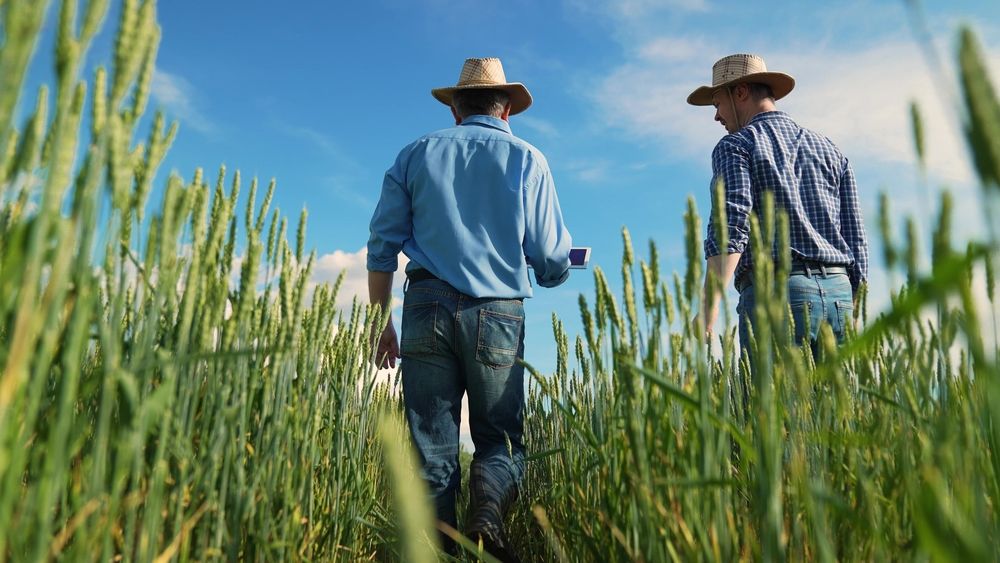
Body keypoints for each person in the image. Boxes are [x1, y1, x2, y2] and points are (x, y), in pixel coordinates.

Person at [366, 57, 573, 560]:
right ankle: (488, 513)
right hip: (498, 311)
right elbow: (548, 255)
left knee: (432, 448)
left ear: (456, 109)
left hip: (424, 307)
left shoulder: (415, 154)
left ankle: (441, 552)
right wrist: (554, 273)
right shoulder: (528, 157)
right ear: (506, 111)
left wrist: (379, 322)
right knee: (499, 439)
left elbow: (380, 244)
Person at [688, 53, 869, 354]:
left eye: (718, 102)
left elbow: (732, 223)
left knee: (771, 402)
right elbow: (856, 237)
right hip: (840, 297)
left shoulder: (736, 146)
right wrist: (855, 308)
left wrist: (709, 308)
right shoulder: (830, 149)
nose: (716, 115)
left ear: (741, 92)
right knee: (837, 403)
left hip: (777, 294)